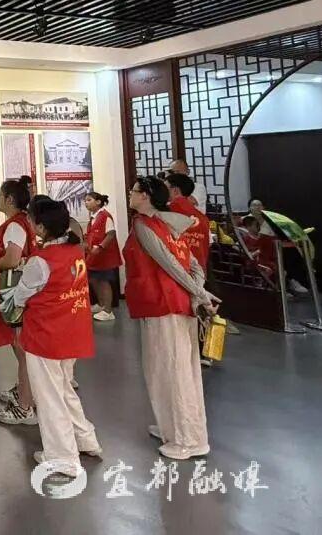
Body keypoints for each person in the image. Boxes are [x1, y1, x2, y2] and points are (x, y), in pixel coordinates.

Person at [5, 198, 101, 476]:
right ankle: (85, 439)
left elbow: (21, 296)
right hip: (73, 330)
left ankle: (62, 457)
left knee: (49, 396)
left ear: (41, 227)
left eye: (31, 219)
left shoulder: (40, 261)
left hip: (46, 335)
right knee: (64, 389)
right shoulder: (74, 251)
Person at [124, 176, 217, 460]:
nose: (130, 194)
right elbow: (192, 266)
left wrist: (199, 293)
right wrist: (198, 291)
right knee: (175, 370)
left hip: (164, 305)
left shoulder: (145, 226)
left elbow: (171, 265)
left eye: (134, 191)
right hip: (176, 304)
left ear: (146, 196)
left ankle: (187, 439)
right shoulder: (168, 225)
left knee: (172, 372)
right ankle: (172, 427)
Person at [0, 180, 38, 425]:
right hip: (19, 291)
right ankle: (24, 390)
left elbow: (12, 259)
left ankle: (26, 406)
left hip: (16, 292)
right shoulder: (21, 222)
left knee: (22, 348)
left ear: (10, 199)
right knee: (20, 345)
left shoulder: (14, 226)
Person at [83, 191, 122, 322]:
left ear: (98, 201)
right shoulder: (93, 218)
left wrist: (100, 247)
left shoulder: (105, 216)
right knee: (94, 280)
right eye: (85, 201)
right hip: (94, 257)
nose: (86, 203)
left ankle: (108, 311)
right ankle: (101, 304)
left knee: (104, 282)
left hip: (104, 257)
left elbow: (111, 234)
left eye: (89, 200)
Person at [165, 173, 211, 271]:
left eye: (165, 187)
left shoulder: (166, 213)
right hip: (199, 271)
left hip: (177, 271)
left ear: (175, 190)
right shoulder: (203, 218)